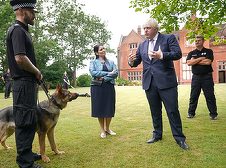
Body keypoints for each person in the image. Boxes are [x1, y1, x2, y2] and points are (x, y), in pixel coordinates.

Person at [128, 18, 189, 150]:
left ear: (156, 29)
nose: (145, 30)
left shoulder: (168, 38)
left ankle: (179, 138)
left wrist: (162, 55)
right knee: (155, 111)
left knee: (172, 111)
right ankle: (157, 134)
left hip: (167, 82)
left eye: (148, 28)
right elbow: (137, 61)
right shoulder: (142, 44)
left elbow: (178, 54)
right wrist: (131, 61)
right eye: (144, 28)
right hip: (150, 83)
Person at [6, 0, 43, 168]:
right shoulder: (17, 31)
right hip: (23, 83)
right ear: (21, 11)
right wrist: (36, 71)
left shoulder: (23, 31)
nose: (34, 15)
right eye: (32, 12)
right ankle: (24, 161)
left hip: (27, 84)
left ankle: (27, 152)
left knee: (29, 119)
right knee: (23, 120)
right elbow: (20, 58)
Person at [89, 44, 118, 138]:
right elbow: (93, 72)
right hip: (97, 88)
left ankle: (107, 128)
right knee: (100, 108)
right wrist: (108, 73)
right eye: (101, 49)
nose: (103, 50)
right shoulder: (93, 62)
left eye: (104, 48)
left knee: (109, 107)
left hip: (108, 86)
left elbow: (116, 73)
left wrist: (104, 77)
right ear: (96, 52)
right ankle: (102, 130)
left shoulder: (111, 62)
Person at [186, 35, 218, 120]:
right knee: (193, 96)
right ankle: (191, 113)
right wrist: (200, 59)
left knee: (209, 95)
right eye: (196, 41)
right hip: (196, 77)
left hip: (207, 77)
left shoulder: (208, 51)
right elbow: (189, 63)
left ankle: (213, 114)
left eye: (199, 40)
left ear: (203, 41)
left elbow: (208, 62)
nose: (197, 42)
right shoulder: (191, 53)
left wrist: (194, 61)